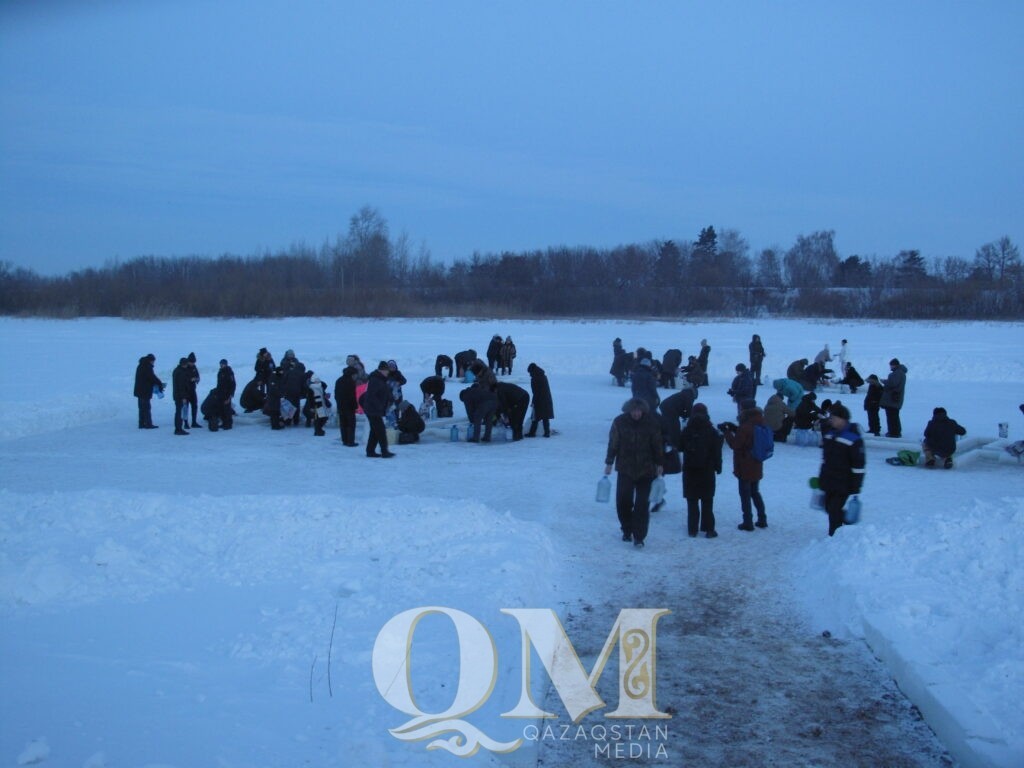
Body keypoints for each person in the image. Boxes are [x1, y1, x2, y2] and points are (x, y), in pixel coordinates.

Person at [604, 397, 664, 548]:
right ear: (628, 410)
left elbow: (657, 444)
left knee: (642, 504)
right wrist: (609, 462)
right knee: (623, 501)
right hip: (625, 468)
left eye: (639, 411)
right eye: (633, 411)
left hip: (646, 469)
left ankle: (639, 536)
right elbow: (613, 443)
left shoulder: (651, 423)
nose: (636, 414)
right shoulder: (619, 422)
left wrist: (659, 463)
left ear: (643, 411)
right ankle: (626, 529)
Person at [817, 402, 866, 536]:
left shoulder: (854, 438)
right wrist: (821, 478)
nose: (830, 420)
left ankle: (834, 537)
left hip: (844, 482)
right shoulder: (829, 435)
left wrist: (856, 486)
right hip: (828, 479)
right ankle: (847, 521)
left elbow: (859, 465)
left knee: (834, 509)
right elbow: (825, 460)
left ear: (842, 419)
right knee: (828, 507)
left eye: (833, 418)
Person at [721, 404, 768, 530]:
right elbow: (749, 437)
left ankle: (747, 521)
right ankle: (762, 518)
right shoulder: (761, 424)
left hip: (744, 465)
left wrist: (726, 432)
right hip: (757, 463)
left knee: (745, 494)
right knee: (755, 492)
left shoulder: (745, 427)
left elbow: (736, 445)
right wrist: (735, 428)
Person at [678, 403, 722, 538]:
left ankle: (692, 529)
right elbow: (716, 452)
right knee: (707, 501)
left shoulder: (687, 430)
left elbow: (680, 446)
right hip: (707, 470)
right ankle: (709, 529)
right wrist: (718, 467)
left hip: (690, 470)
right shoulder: (711, 431)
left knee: (692, 501)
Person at [361, 361, 395, 458]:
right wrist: (379, 406)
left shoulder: (381, 379)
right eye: (386, 370)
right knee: (380, 431)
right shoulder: (375, 380)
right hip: (373, 410)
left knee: (375, 431)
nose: (388, 372)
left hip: (375, 409)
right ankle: (384, 451)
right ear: (381, 370)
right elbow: (372, 396)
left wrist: (390, 398)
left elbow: (384, 391)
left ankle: (370, 451)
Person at [334, 358, 361, 446]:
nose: (356, 376)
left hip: (340, 406)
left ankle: (345, 440)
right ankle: (350, 441)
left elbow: (336, 395)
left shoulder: (339, 380)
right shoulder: (350, 382)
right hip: (349, 407)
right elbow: (352, 396)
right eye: (355, 375)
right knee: (351, 425)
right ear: (352, 374)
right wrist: (355, 406)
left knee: (343, 424)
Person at [133, 353, 163, 429]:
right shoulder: (147, 367)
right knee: (146, 407)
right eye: (153, 361)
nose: (154, 363)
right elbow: (152, 377)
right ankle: (148, 424)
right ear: (150, 360)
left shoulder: (141, 365)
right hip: (144, 390)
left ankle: (141, 423)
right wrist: (160, 383)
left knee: (141, 408)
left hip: (139, 390)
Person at [880, 358, 908, 438]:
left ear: (894, 365)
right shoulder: (900, 373)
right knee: (894, 416)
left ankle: (894, 432)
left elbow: (893, 383)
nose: (890, 367)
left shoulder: (897, 373)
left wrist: (884, 381)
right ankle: (895, 432)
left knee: (892, 417)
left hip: (892, 399)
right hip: (895, 399)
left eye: (891, 365)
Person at [525, 363, 554, 437]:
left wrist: (533, 402)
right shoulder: (542, 375)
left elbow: (536, 392)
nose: (530, 375)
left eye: (530, 373)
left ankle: (532, 433)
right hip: (546, 399)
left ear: (532, 371)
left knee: (535, 417)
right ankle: (546, 433)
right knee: (545, 417)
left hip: (539, 400)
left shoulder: (535, 379)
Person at [171, 357, 192, 435]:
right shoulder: (181, 373)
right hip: (180, 396)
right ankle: (178, 429)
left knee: (178, 411)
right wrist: (184, 397)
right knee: (179, 412)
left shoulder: (176, 370)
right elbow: (181, 386)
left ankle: (178, 428)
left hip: (177, 394)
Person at [214, 358, 236, 430]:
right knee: (221, 409)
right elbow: (219, 384)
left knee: (227, 410)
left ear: (226, 364)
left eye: (223, 364)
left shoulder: (229, 372)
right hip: (220, 393)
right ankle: (224, 423)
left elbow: (233, 384)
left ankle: (228, 424)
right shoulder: (220, 372)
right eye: (221, 364)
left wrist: (231, 395)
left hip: (227, 393)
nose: (221, 365)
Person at [306, 372, 330, 436]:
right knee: (317, 418)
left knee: (323, 418)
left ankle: (318, 430)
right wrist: (311, 407)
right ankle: (318, 431)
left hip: (321, 404)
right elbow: (310, 399)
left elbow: (325, 385)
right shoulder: (310, 389)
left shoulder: (319, 386)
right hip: (315, 405)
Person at [185, 352, 201, 428]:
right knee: (185, 407)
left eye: (194, 362)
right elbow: (182, 379)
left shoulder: (194, 367)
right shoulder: (185, 367)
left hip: (192, 389)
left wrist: (197, 379)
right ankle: (185, 422)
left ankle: (194, 422)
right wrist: (190, 379)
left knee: (194, 405)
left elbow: (197, 375)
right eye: (191, 362)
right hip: (186, 390)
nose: (192, 364)